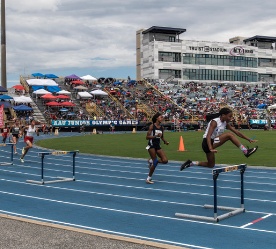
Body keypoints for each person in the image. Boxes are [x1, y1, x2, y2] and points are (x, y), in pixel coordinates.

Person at [180, 107, 258, 171]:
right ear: (223, 115)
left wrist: (248, 139)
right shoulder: (215, 122)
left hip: (213, 141)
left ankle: (191, 163)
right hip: (207, 143)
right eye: (229, 116)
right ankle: (245, 151)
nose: (230, 118)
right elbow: (208, 136)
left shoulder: (225, 123)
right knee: (229, 135)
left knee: (211, 165)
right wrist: (210, 148)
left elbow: (237, 132)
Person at [146, 112, 169, 184]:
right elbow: (147, 137)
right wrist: (155, 136)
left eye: (162, 117)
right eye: (160, 117)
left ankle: (151, 162)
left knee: (165, 160)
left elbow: (161, 137)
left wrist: (165, 141)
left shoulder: (162, 128)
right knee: (155, 161)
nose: (162, 118)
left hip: (158, 145)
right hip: (151, 145)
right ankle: (148, 178)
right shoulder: (152, 126)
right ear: (156, 118)